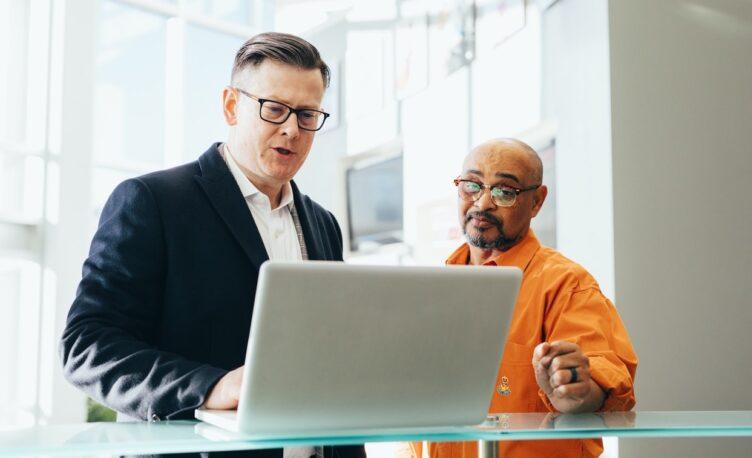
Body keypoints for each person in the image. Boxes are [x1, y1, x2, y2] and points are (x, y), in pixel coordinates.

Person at [60, 32, 364, 458]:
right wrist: (212, 387)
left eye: (307, 114)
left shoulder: (323, 224)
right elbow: (87, 347)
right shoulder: (152, 202)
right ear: (231, 106)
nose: (292, 129)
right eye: (275, 109)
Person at [410, 138, 638, 458]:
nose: (482, 203)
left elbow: (602, 382)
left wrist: (574, 390)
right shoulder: (436, 288)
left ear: (536, 202)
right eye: (472, 185)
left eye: (505, 191)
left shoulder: (567, 285)